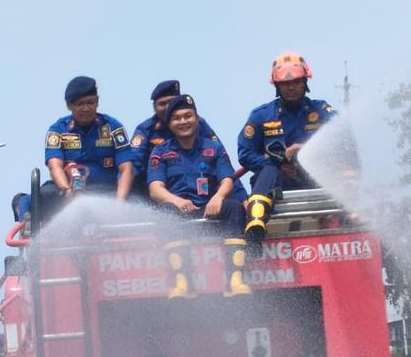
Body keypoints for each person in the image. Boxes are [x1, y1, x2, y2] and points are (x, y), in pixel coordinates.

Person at [147, 94, 252, 299]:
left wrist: (218, 197)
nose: (183, 121)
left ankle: (234, 281)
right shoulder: (160, 151)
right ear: (169, 124)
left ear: (197, 118)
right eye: (177, 118)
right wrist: (176, 201)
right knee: (164, 212)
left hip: (209, 209)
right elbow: (155, 189)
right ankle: (183, 283)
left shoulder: (214, 148)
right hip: (180, 212)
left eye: (188, 116)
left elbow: (227, 180)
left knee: (233, 207)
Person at [236, 51, 336, 245]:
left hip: (314, 178)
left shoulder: (321, 110)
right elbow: (245, 153)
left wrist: (304, 148)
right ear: (276, 85)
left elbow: (342, 138)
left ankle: (355, 216)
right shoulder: (261, 115)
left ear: (305, 81)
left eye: (296, 82)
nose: (291, 88)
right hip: (276, 182)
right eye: (285, 83)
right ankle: (255, 224)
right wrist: (277, 164)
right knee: (268, 170)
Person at [39, 76, 135, 217]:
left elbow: (127, 168)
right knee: (43, 194)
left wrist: (119, 203)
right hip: (71, 190)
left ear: (97, 101)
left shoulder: (113, 127)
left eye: (90, 102)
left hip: (107, 190)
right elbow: (54, 166)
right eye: (80, 104)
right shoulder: (58, 130)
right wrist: (67, 190)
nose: (86, 108)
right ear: (69, 106)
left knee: (137, 196)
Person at [130, 80, 219, 195]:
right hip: (153, 191)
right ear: (154, 107)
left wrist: (239, 197)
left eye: (171, 102)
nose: (168, 107)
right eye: (162, 104)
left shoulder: (197, 124)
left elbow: (220, 158)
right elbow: (133, 165)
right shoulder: (146, 129)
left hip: (196, 189)